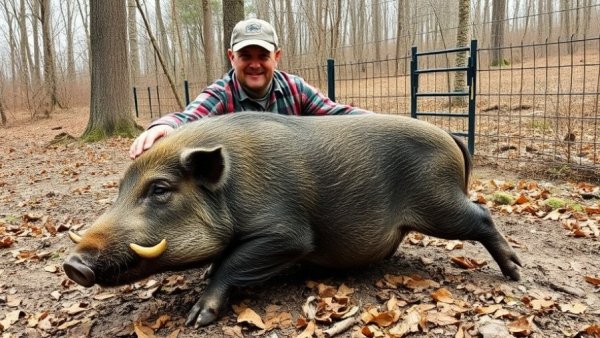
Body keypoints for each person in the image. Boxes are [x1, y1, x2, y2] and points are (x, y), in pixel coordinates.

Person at [129, 18, 371, 159]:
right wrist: (165, 126)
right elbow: (190, 116)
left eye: (263, 55)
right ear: (231, 57)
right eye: (245, 55)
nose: (255, 64)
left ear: (276, 57)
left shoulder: (295, 89)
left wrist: (384, 123)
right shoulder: (222, 93)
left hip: (295, 187)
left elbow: (339, 115)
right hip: (244, 198)